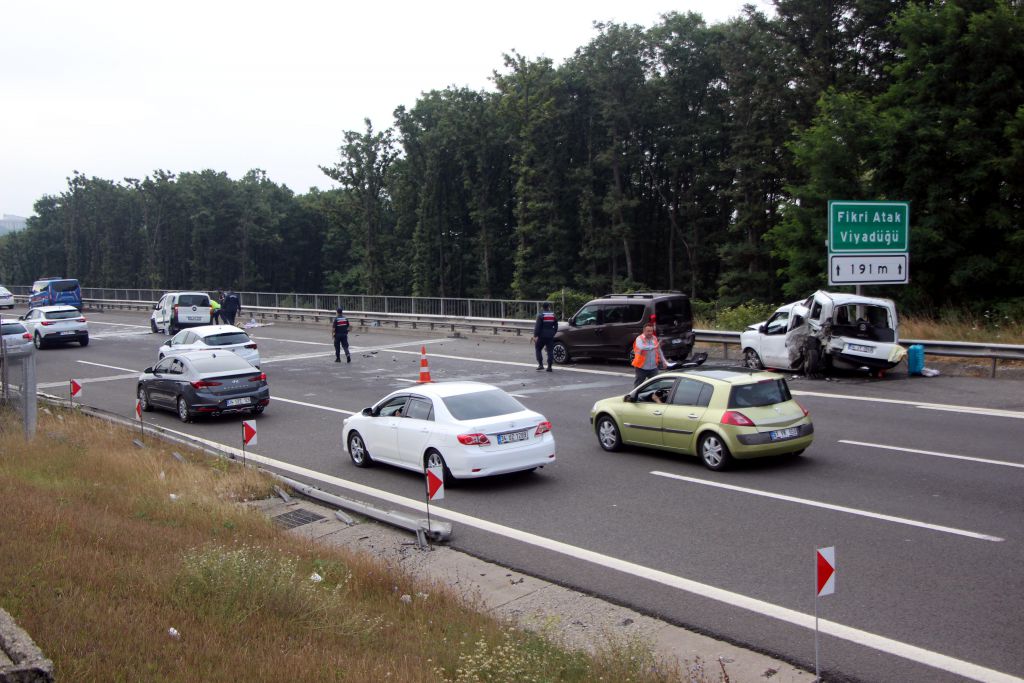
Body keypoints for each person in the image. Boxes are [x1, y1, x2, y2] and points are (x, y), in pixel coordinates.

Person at [632, 323, 667, 387]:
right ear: (644, 331)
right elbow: (642, 347)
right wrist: (654, 346)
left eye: (651, 331)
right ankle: (634, 396)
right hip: (641, 368)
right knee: (638, 386)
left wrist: (664, 361)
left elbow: (659, 350)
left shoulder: (654, 338)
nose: (650, 333)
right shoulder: (639, 339)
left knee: (656, 386)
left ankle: (653, 396)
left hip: (653, 368)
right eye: (648, 331)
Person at [531, 302, 557, 372]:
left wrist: (535, 336)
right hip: (550, 336)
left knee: (538, 349)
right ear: (549, 307)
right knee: (550, 351)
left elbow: (537, 327)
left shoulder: (540, 315)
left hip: (541, 336)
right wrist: (553, 332)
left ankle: (541, 365)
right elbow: (556, 325)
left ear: (542, 307)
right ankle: (549, 367)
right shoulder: (553, 315)